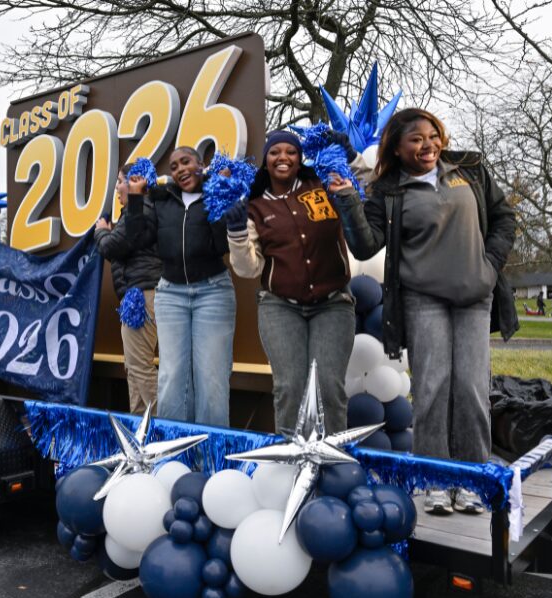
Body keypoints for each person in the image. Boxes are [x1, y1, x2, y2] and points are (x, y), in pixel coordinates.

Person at [330, 108, 518, 515]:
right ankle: (434, 478)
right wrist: (348, 201)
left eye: (433, 135)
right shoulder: (387, 190)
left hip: (474, 294)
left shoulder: (470, 168)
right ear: (396, 148)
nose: (428, 144)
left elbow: (504, 218)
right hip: (422, 297)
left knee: (470, 388)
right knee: (433, 387)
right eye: (415, 139)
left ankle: (470, 479)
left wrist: (489, 265)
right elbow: (365, 246)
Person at [225, 130, 355, 434]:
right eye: (275, 152)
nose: (283, 158)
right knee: (290, 387)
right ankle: (289, 459)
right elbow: (248, 268)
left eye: (291, 152)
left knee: (328, 387)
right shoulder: (254, 205)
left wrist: (350, 156)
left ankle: (334, 458)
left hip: (333, 304)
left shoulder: (321, 184)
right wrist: (236, 232)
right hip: (280, 306)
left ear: (300, 159)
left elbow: (363, 189)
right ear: (266, 161)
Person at [125, 147, 235, 427]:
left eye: (186, 162)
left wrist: (219, 192)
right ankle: (175, 453)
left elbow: (222, 245)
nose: (181, 169)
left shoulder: (213, 192)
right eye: (174, 167)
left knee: (211, 377)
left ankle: (211, 455)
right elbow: (137, 240)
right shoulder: (162, 200)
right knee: (172, 376)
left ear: (200, 164)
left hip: (212, 292)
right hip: (171, 294)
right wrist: (136, 199)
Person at [94, 164, 163, 414]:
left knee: (140, 367)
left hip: (142, 296)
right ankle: (140, 431)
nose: (117, 190)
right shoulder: (139, 211)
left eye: (120, 183)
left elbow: (112, 246)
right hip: (138, 295)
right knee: (133, 369)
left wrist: (101, 232)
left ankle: (164, 429)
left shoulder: (141, 207)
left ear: (135, 182)